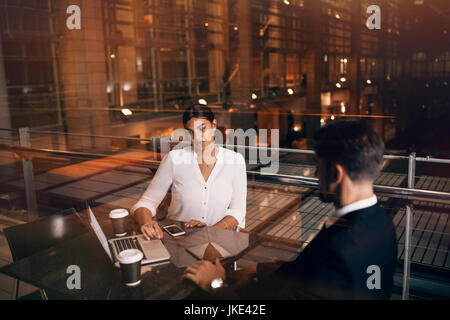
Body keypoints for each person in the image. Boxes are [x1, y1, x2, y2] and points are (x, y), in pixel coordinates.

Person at [183, 120, 398, 300]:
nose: (315, 173)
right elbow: (310, 271)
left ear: (335, 174)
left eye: (318, 165)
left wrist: (215, 284)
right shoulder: (381, 222)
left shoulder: (339, 249)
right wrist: (257, 270)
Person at [130, 105, 247, 240]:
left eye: (202, 129)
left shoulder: (235, 160)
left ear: (214, 125)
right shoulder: (174, 159)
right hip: (178, 241)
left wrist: (209, 232)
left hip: (217, 242)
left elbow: (238, 211)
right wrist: (147, 223)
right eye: (191, 132)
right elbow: (146, 203)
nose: (198, 137)